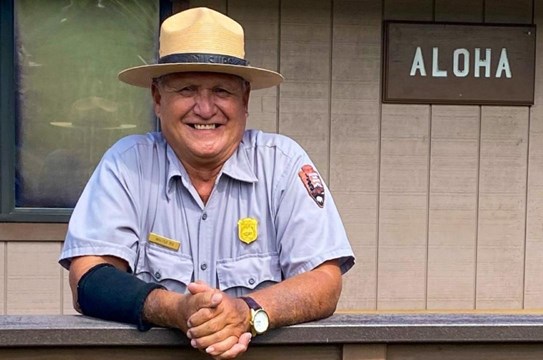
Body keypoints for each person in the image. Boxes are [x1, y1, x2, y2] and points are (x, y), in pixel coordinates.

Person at [59, 7, 354, 359]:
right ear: (157, 98)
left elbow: (325, 282)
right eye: (186, 89)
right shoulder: (127, 164)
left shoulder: (283, 164)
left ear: (245, 100)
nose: (204, 108)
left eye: (221, 91)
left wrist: (247, 312)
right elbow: (89, 280)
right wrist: (175, 310)